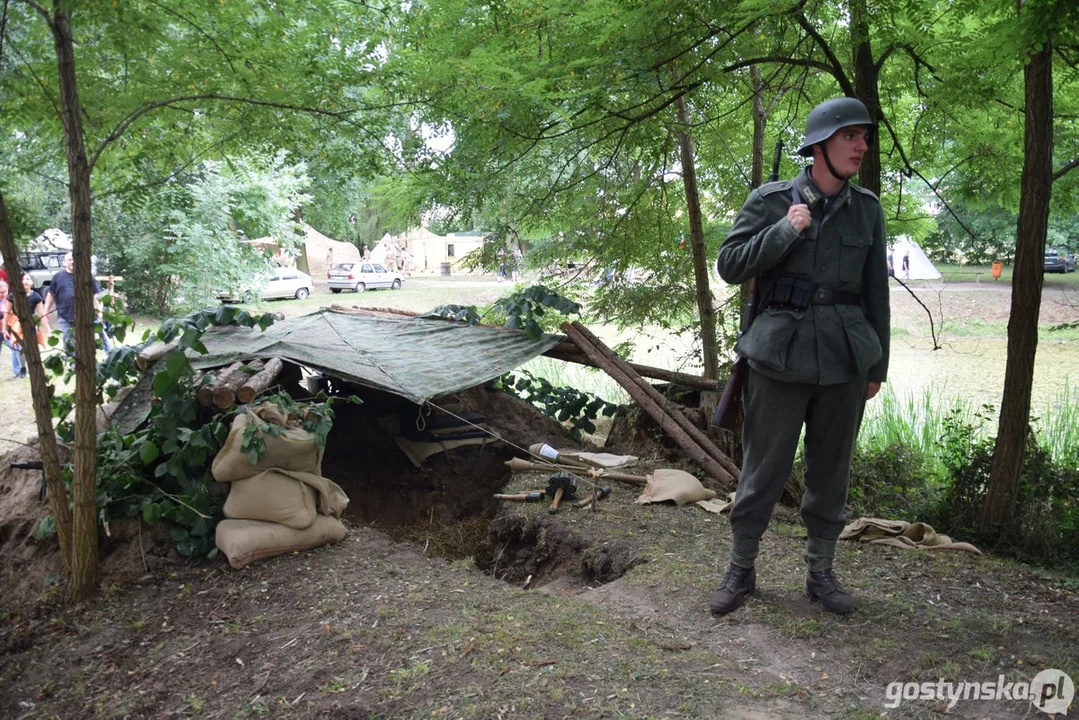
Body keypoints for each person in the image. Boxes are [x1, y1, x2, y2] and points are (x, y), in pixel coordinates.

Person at [712, 97, 891, 616]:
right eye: (849, 137)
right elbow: (730, 265)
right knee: (762, 472)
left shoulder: (868, 210)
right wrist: (785, 230)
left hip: (844, 359)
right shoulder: (772, 200)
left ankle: (821, 575)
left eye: (864, 137)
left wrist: (875, 367)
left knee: (831, 472)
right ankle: (741, 571)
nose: (860, 146)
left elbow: (875, 291)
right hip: (777, 357)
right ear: (819, 147)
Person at [43, 252, 105, 357]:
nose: (73, 261)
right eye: (70, 259)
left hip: (85, 317)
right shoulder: (58, 277)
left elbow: (95, 295)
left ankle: (87, 361)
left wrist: (99, 310)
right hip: (65, 317)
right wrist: (45, 311)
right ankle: (72, 365)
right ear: (65, 262)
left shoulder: (86, 275)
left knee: (86, 342)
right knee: (68, 342)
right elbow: (51, 294)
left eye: (74, 259)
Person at [5, 273, 50, 378]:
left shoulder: (36, 296)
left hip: (31, 325)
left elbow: (42, 314)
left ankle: (35, 368)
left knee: (33, 347)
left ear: (31, 282)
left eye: (27, 279)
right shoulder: (12, 295)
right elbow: (7, 313)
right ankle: (22, 367)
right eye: (22, 279)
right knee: (21, 347)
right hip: (17, 324)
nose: (25, 281)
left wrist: (48, 329)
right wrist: (5, 328)